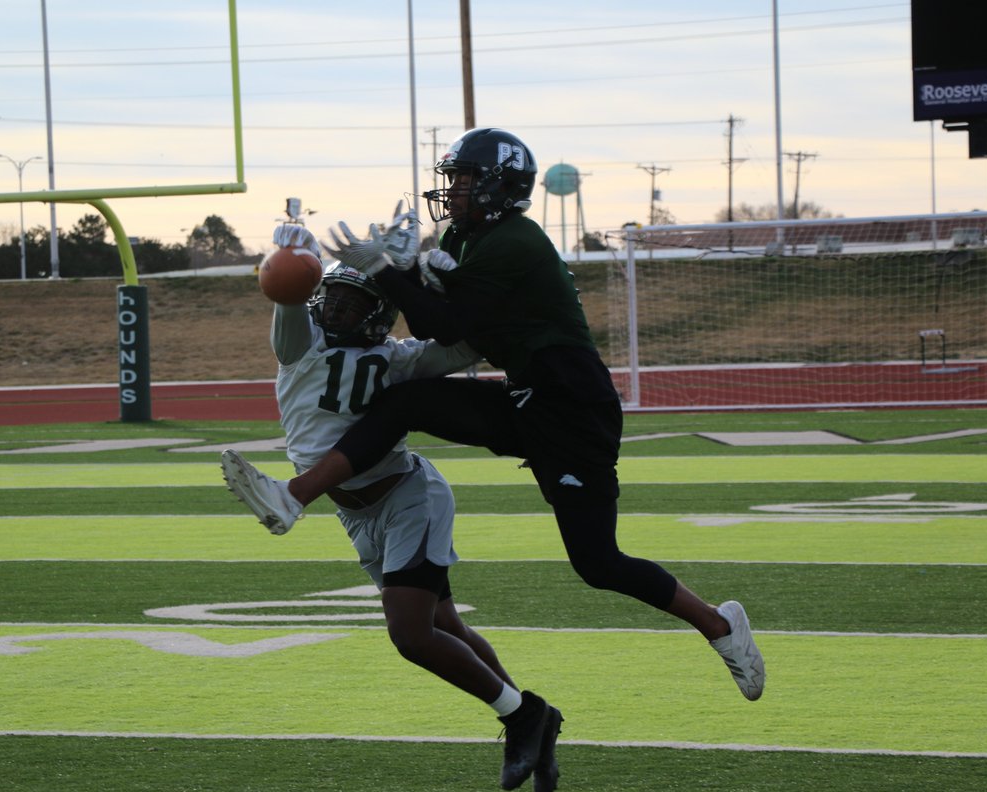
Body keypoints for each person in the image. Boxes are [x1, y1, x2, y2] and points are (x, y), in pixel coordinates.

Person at [222, 128, 765, 709]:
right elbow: (440, 305)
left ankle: (719, 624)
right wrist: (406, 268)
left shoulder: (515, 240)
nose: (453, 190)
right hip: (523, 395)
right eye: (451, 178)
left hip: (572, 409)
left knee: (598, 562)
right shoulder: (464, 234)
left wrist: (389, 269)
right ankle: (295, 496)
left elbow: (443, 325)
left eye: (465, 179)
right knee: (406, 400)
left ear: (500, 185)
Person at [220, 227, 563, 792]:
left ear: (379, 316)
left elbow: (469, 344)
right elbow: (285, 294)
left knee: (410, 634)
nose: (337, 310)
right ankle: (533, 723)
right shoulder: (300, 345)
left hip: (409, 496)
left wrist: (432, 284)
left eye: (353, 304)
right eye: (331, 298)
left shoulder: (397, 359)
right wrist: (293, 258)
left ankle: (522, 717)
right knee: (445, 626)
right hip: (355, 513)